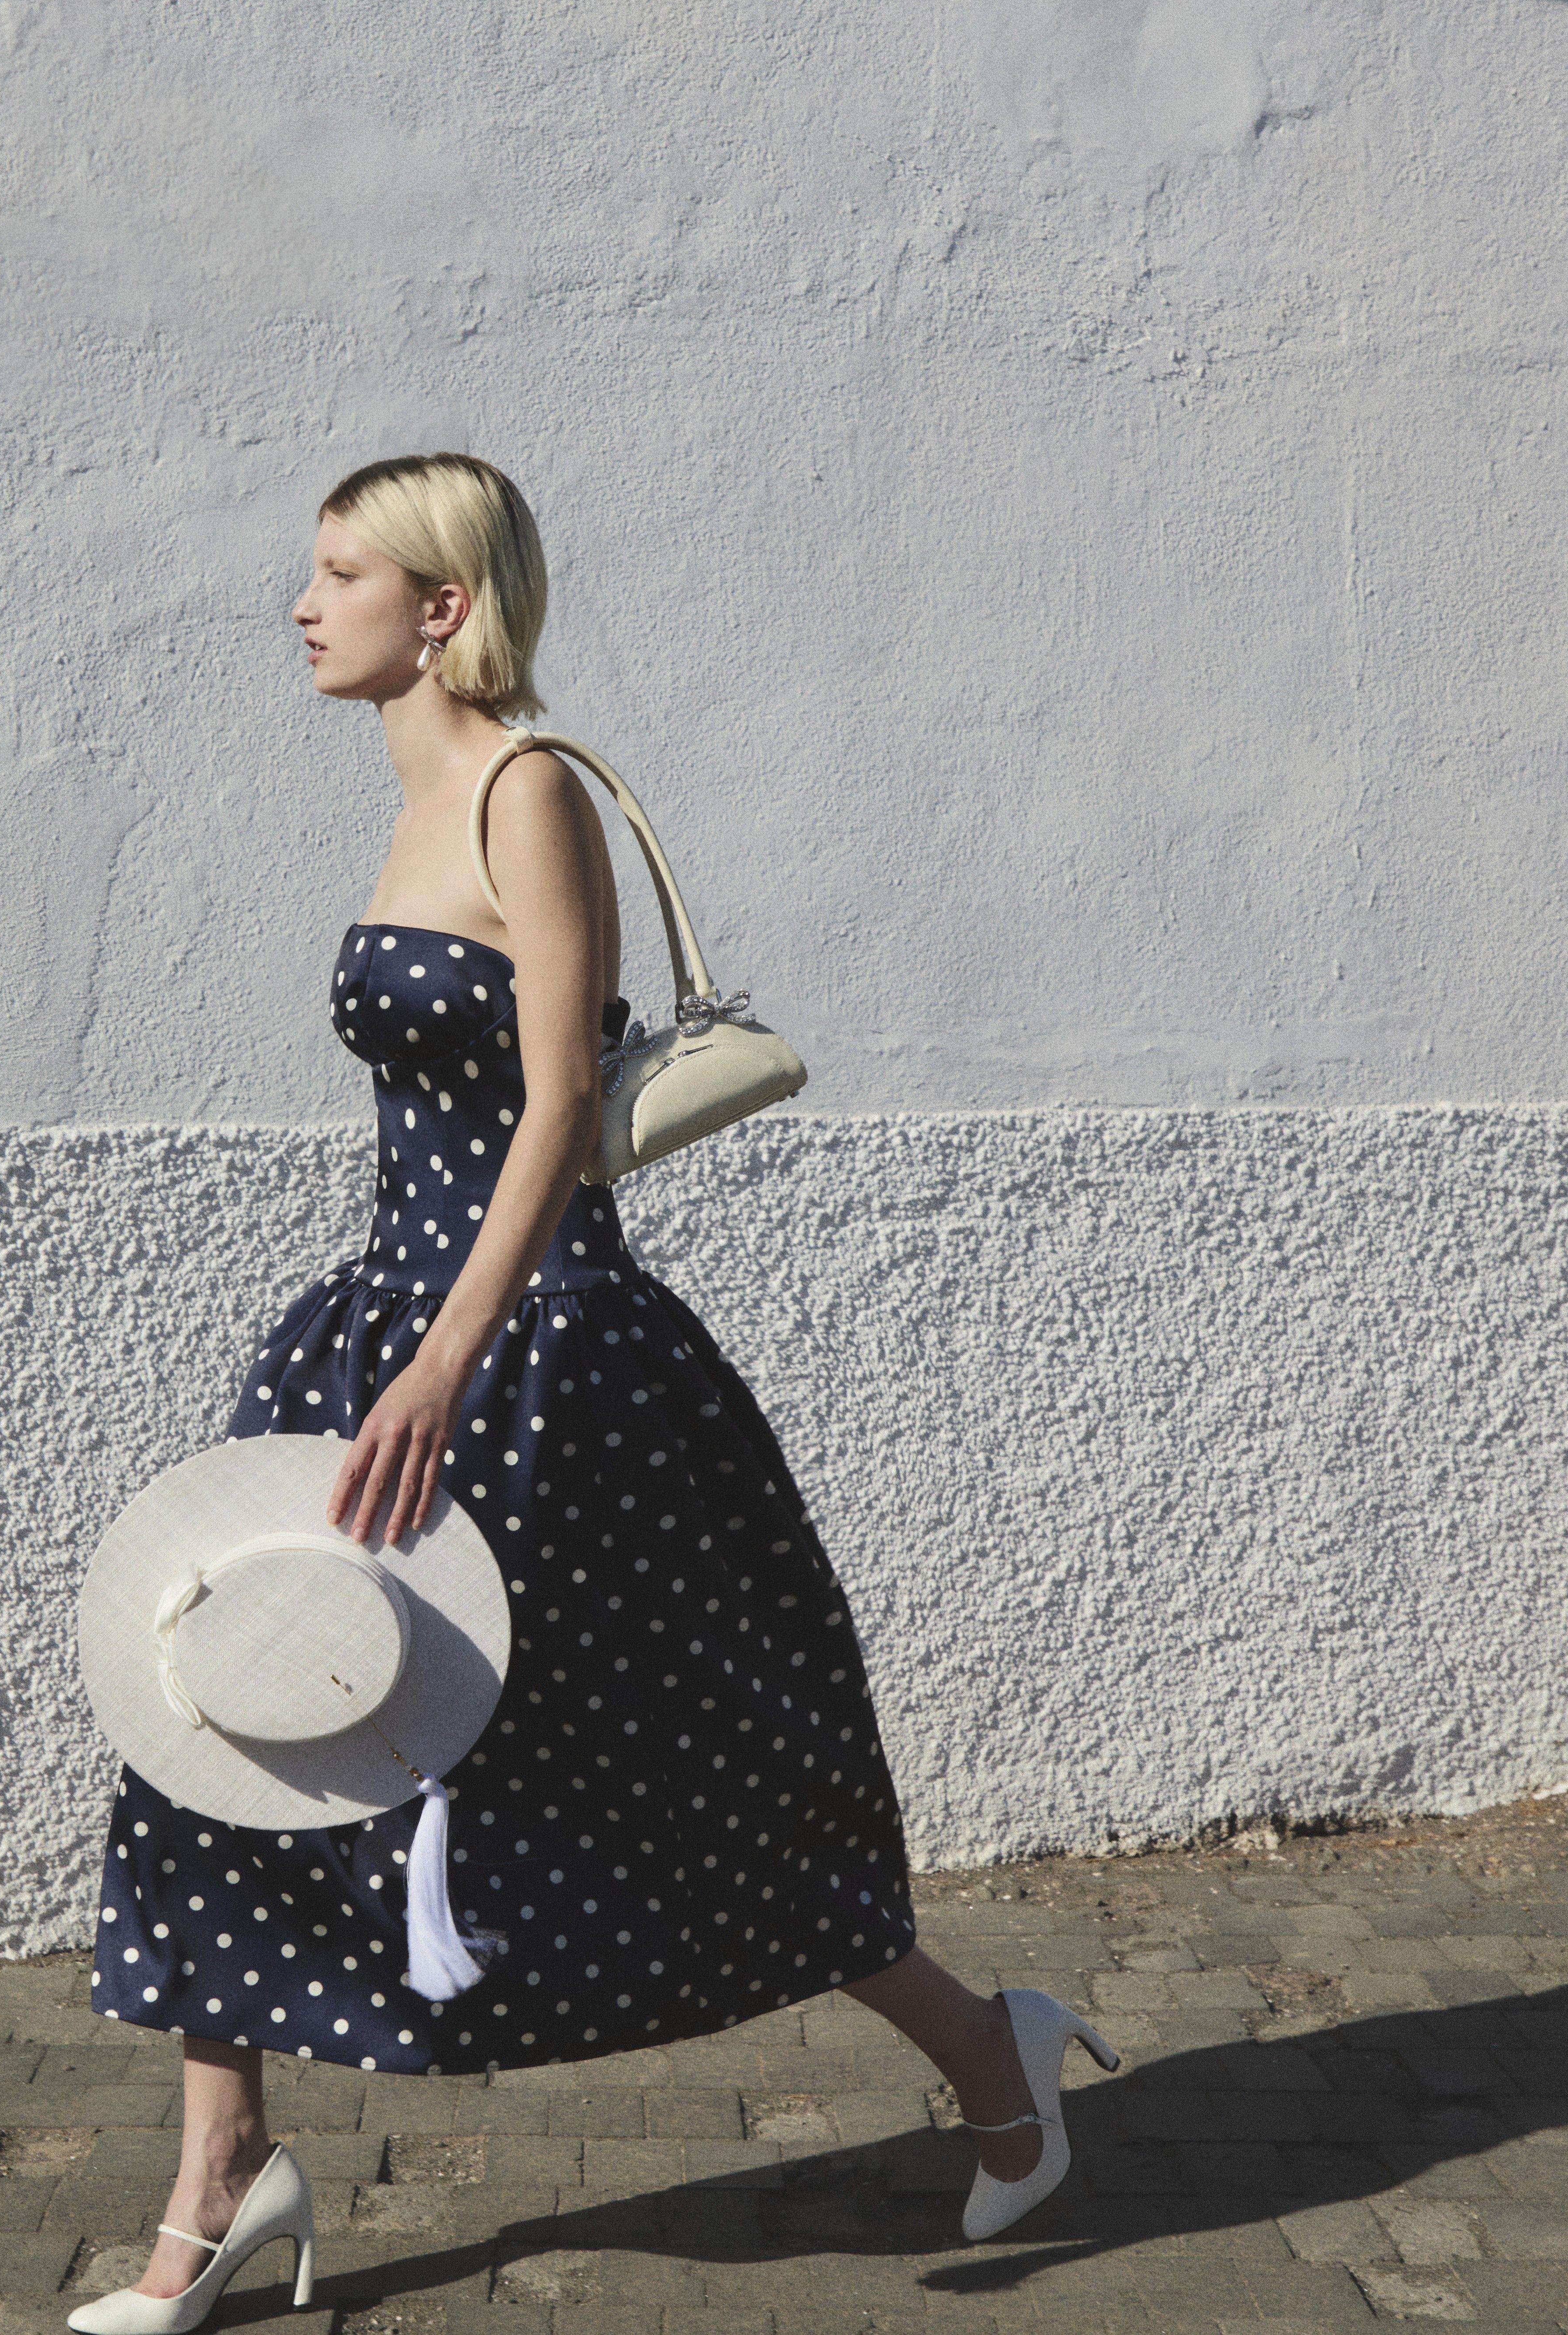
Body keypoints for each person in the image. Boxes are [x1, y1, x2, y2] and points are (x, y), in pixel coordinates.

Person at [68, 455, 1111, 2335]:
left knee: (671, 1780)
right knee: (232, 1724)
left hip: (536, 1350)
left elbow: (558, 1104)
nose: (302, 607)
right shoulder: (399, 806)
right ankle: (216, 2184)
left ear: (442, 606)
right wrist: (393, 1346)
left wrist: (445, 1360)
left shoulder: (524, 790)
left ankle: (986, 2056)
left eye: (339, 575)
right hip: (380, 1326)